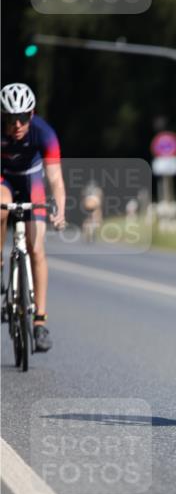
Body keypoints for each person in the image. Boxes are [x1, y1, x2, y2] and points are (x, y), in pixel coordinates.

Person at [1, 83, 66, 351]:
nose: (17, 124)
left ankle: (39, 322)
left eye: (23, 117)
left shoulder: (44, 133)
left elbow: (55, 178)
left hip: (31, 181)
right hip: (3, 179)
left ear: (32, 114)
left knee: (36, 249)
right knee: (1, 207)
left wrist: (60, 209)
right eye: (9, 118)